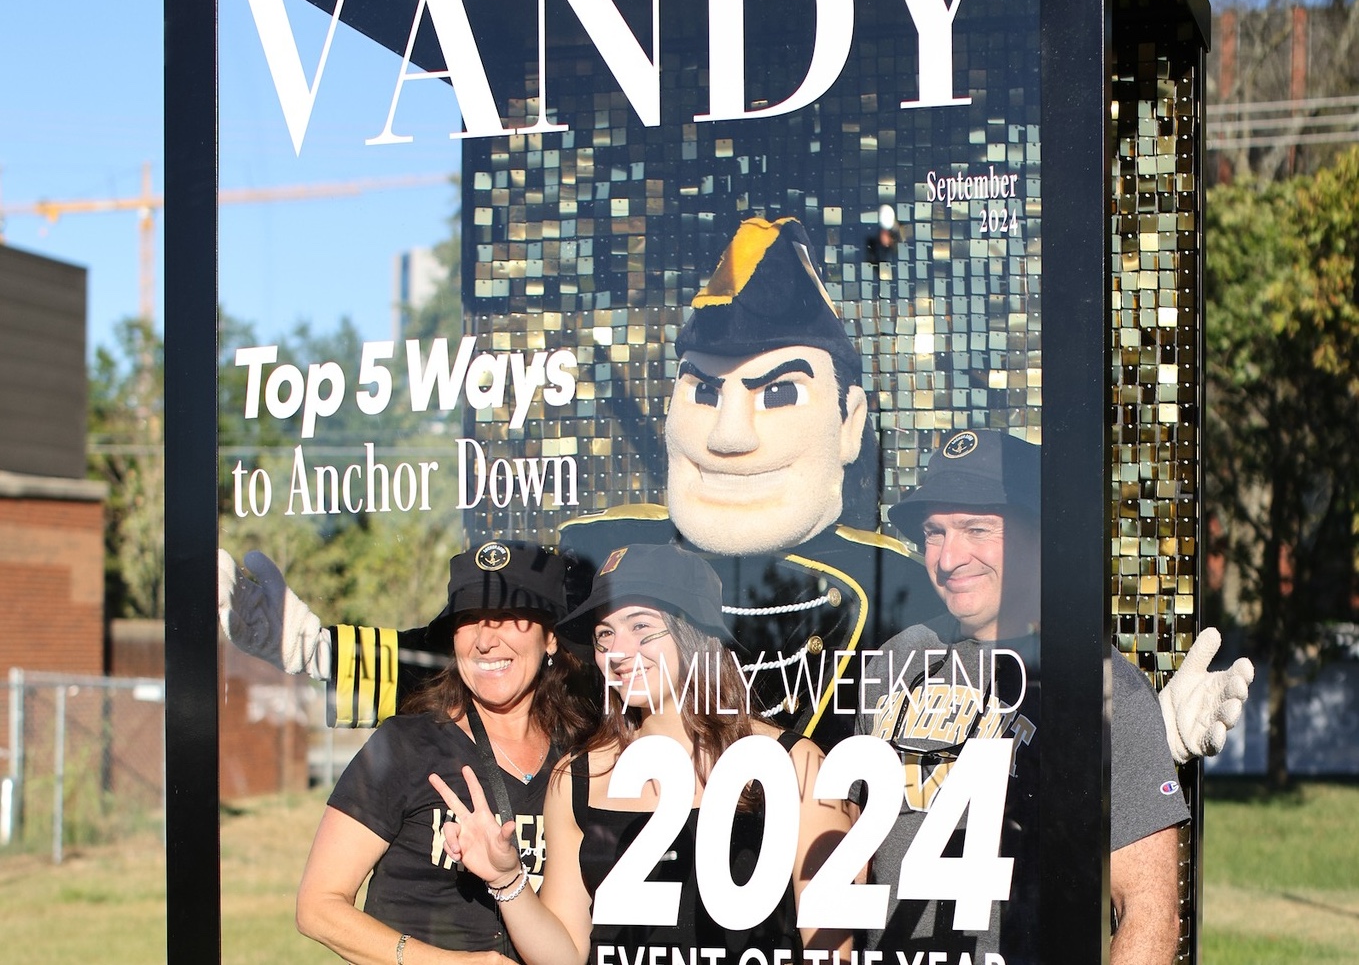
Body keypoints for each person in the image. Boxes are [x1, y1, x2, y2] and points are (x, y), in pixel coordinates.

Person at [219, 216, 1249, 755]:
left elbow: (1026, 668)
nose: (731, 426)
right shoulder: (593, 542)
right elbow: (469, 653)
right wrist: (307, 645)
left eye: (778, 389)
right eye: (705, 390)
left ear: (849, 423)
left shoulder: (904, 576)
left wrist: (1151, 722)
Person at [861, 430, 1231, 964]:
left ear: (1040, 535)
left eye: (977, 530)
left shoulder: (1099, 686)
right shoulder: (900, 659)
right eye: (934, 533)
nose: (947, 558)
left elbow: (1150, 913)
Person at [429, 543, 853, 965]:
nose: (618, 651)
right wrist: (507, 881)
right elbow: (567, 955)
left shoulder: (794, 765)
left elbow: (832, 952)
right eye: (604, 634)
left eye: (641, 627)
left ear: (696, 632)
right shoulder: (579, 777)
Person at [295, 541, 595, 964]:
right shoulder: (405, 745)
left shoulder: (580, 759)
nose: (485, 641)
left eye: (508, 618)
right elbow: (317, 907)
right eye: (469, 619)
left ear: (550, 638)